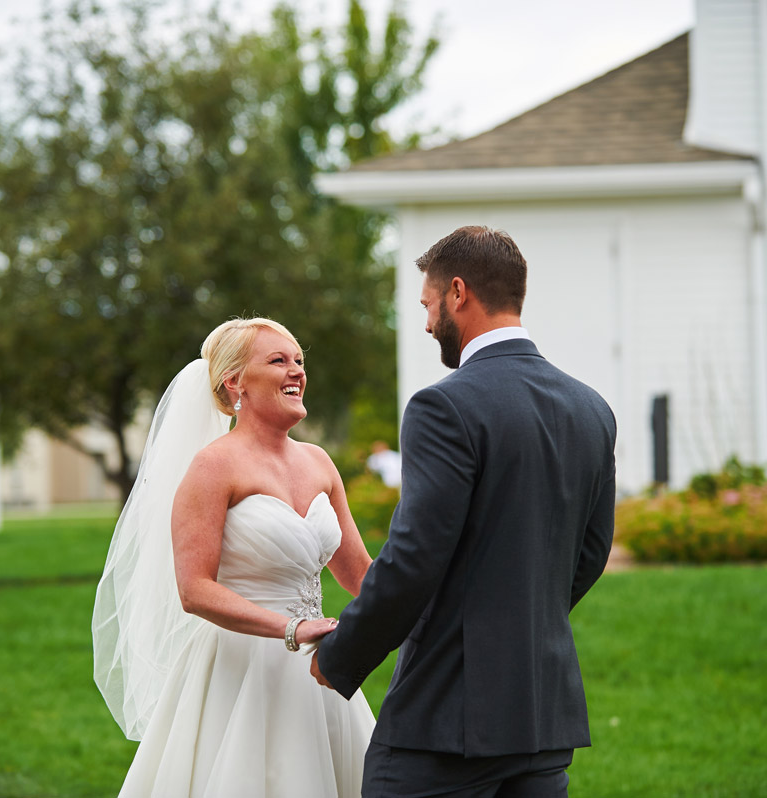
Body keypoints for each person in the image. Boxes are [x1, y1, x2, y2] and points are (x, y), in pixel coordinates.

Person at [312, 226, 618, 797]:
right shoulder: (591, 408)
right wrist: (517, 623)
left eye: (427, 305)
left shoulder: (443, 406)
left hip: (447, 719)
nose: (427, 324)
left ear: (458, 293)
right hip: (541, 715)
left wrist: (341, 655)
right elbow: (591, 553)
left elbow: (413, 558)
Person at [93, 317, 376, 797]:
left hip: (321, 672)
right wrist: (291, 628)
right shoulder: (212, 466)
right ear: (235, 382)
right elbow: (194, 589)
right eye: (279, 361)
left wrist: (430, 607)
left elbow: (361, 574)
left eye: (300, 361)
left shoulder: (319, 462)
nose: (297, 372)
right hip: (241, 669)